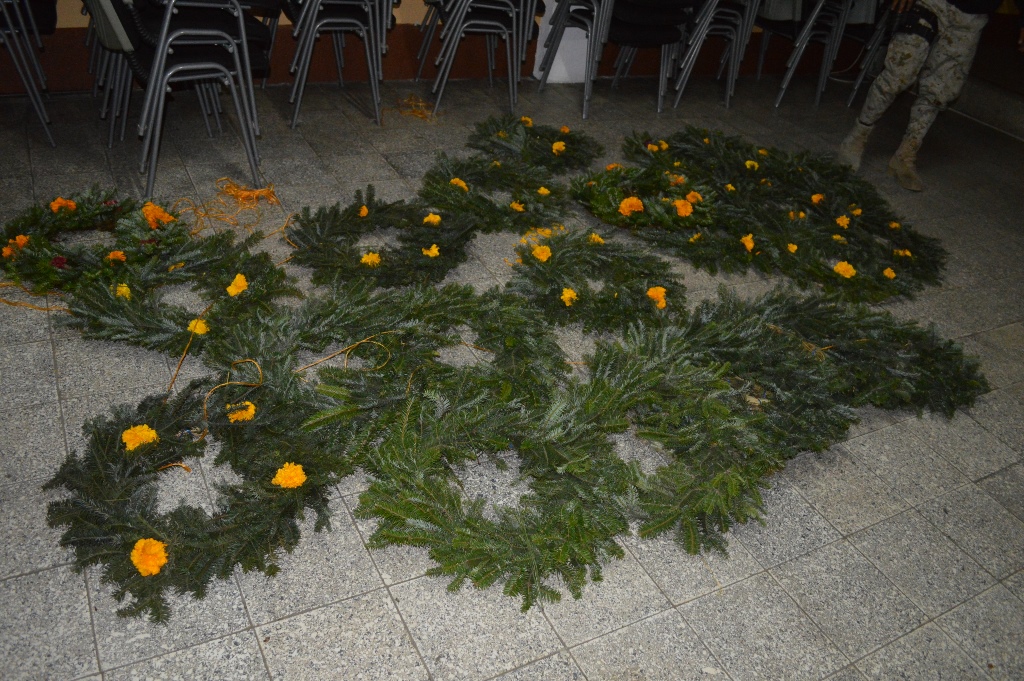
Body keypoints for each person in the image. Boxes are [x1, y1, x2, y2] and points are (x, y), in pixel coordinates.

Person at [837, 0, 1001, 190]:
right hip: (930, 3)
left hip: (972, 17)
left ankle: (905, 155)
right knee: (898, 75)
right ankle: (857, 137)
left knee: (940, 91)